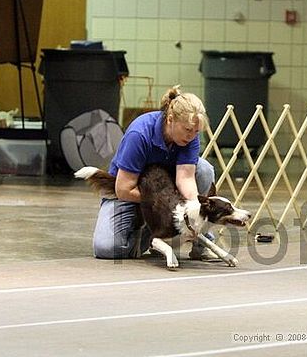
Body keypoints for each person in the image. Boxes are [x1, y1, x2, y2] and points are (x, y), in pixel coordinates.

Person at [92, 85, 218, 260]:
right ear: (170, 119)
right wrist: (162, 203)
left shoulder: (190, 136)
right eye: (188, 130)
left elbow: (186, 178)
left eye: (196, 132)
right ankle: (156, 237)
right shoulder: (140, 133)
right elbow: (123, 190)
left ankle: (199, 240)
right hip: (131, 193)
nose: (191, 136)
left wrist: (194, 210)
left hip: (165, 191)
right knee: (106, 248)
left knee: (204, 169)